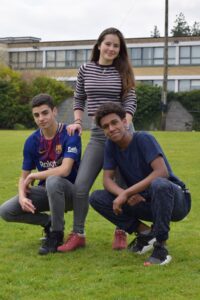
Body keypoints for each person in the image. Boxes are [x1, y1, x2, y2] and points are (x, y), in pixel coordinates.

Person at [57, 27, 137, 253]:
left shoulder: (123, 71)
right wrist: (77, 121)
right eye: (108, 44)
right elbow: (79, 96)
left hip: (122, 136)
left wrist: (126, 122)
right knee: (81, 187)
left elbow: (130, 101)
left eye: (116, 46)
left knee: (122, 186)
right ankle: (78, 234)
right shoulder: (86, 69)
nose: (111, 49)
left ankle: (121, 230)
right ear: (99, 45)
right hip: (98, 136)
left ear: (119, 50)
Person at [89, 102, 191, 266]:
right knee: (96, 198)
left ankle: (161, 247)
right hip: (145, 201)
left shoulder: (143, 138)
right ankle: (146, 234)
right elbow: (107, 179)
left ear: (124, 122)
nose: (111, 128)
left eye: (114, 122)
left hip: (175, 202)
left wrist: (126, 193)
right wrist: (123, 194)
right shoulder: (110, 146)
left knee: (159, 184)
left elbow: (161, 172)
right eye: (106, 126)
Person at [0, 94, 81, 255]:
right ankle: (48, 222)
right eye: (36, 115)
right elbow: (24, 177)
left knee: (53, 180)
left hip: (71, 194)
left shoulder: (70, 134)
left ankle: (56, 234)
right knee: (6, 210)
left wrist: (35, 176)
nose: (41, 118)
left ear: (54, 111)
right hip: (46, 192)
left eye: (45, 113)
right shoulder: (32, 141)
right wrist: (22, 196)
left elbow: (64, 170)